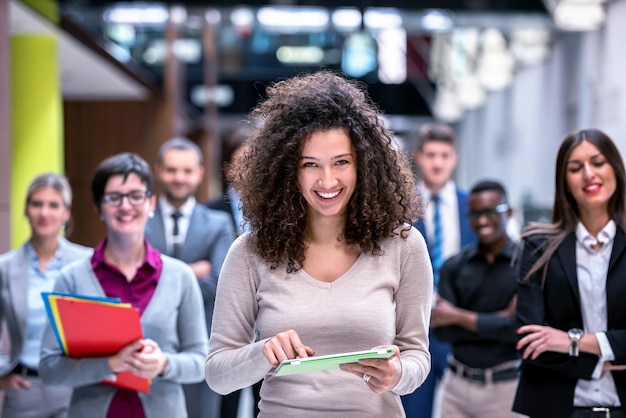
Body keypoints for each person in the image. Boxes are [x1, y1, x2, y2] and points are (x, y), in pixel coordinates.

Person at [204, 70, 432, 417]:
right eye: (310, 164)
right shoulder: (250, 252)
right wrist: (263, 352)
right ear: (286, 170)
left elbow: (417, 356)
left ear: (365, 165)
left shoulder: (404, 245)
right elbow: (218, 375)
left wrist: (398, 373)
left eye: (341, 162)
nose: (327, 180)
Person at [39, 152, 208, 418]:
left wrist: (164, 363)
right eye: (114, 197)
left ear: (151, 203)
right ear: (99, 207)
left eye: (136, 196)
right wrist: (110, 364)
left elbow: (201, 362)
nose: (126, 205)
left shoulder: (180, 277)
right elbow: (50, 369)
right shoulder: (72, 279)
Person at [513, 128, 626, 418]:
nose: (588, 174)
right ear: (564, 181)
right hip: (558, 408)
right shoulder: (537, 247)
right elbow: (531, 342)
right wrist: (603, 360)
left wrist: (572, 342)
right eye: (576, 168)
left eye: (598, 162)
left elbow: (553, 341)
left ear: (615, 168)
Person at [145, 137, 235, 418]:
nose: (179, 178)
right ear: (159, 171)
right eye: (172, 170)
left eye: (186, 171)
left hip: (200, 346)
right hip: (147, 348)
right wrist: (192, 271)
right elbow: (135, 280)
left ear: (199, 173)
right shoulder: (140, 222)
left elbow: (220, 283)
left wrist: (160, 273)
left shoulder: (218, 224)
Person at [0, 173, 91, 418]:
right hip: (24, 390)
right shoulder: (5, 267)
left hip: (75, 388)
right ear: (26, 210)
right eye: (37, 204)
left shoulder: (87, 262)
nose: (44, 213)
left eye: (53, 205)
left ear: (66, 213)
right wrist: (1, 374)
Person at [403, 122, 477, 418]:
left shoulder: (472, 207)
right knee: (414, 410)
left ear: (454, 158)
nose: (438, 163)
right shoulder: (402, 208)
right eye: (431, 155)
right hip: (415, 327)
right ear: (418, 157)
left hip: (461, 328)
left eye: (444, 155)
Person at [431, 179, 521, 418]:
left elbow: (518, 330)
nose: (482, 221)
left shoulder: (527, 265)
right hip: (457, 388)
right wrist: (498, 320)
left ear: (509, 212)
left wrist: (456, 316)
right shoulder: (454, 266)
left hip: (507, 388)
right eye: (475, 214)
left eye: (490, 212)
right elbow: (443, 332)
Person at [205, 126, 262, 417]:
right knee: (224, 401)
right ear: (228, 168)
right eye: (242, 162)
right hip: (225, 319)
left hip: (264, 323)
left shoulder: (272, 214)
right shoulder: (210, 212)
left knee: (262, 398)